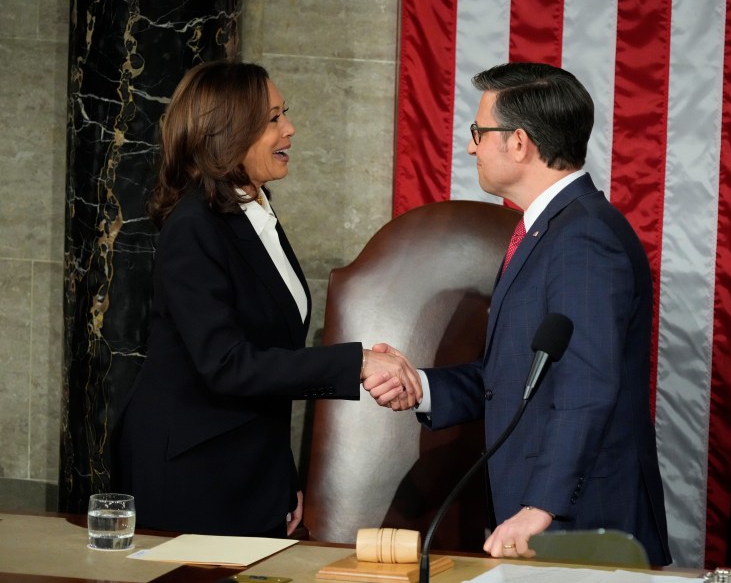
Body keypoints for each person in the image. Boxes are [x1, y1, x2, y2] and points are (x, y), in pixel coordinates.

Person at [364, 62, 671, 564]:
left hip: (580, 525)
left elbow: (588, 387)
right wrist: (423, 386)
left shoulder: (584, 239)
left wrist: (541, 504)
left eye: (478, 133)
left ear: (519, 142)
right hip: (543, 520)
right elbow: (517, 376)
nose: (470, 147)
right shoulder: (550, 229)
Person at [116, 60, 419, 537]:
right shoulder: (194, 227)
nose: (290, 129)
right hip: (194, 473)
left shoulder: (254, 210)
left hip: (249, 466)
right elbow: (228, 364)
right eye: (273, 118)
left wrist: (281, 476)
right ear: (227, 133)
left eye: (285, 114)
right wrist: (355, 363)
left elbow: (271, 359)